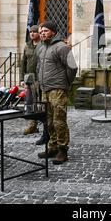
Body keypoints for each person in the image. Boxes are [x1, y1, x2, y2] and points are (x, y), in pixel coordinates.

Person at [36, 21, 77, 164]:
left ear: (53, 32)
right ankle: (52, 147)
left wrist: (65, 83)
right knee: (48, 121)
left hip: (58, 90)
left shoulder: (61, 47)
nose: (42, 33)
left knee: (59, 121)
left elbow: (72, 67)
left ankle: (62, 150)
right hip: (45, 90)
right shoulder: (41, 48)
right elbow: (39, 67)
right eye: (41, 31)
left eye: (45, 31)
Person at [20, 25, 41, 135]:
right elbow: (23, 63)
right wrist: (21, 79)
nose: (32, 33)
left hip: (40, 79)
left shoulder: (43, 45)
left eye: (34, 32)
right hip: (29, 79)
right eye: (30, 32)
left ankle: (46, 127)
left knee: (41, 104)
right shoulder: (27, 46)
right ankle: (32, 125)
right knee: (30, 103)